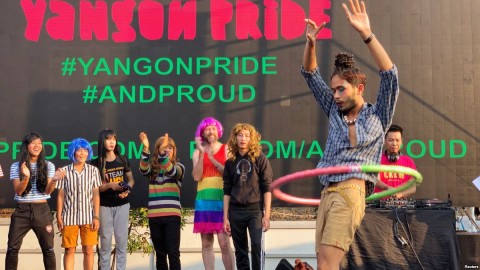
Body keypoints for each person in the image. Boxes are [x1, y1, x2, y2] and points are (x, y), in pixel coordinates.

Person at [301, 0, 399, 269]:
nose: (335, 95)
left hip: (350, 191)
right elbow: (310, 74)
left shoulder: (377, 115)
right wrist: (310, 43)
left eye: (341, 89)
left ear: (359, 87)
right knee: (322, 261)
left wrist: (366, 34)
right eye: (333, 90)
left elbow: (390, 76)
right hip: (327, 193)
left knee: (327, 264)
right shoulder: (334, 110)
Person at [5, 132, 60, 270]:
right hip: (22, 211)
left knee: (48, 249)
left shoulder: (49, 165)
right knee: (12, 248)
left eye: (39, 143)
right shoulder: (16, 166)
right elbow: (19, 191)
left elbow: (48, 191)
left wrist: (53, 180)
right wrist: (26, 178)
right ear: (26, 146)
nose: (37, 146)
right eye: (33, 143)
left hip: (42, 210)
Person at [223, 123, 273, 270]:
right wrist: (225, 217)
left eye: (246, 135)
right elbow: (226, 190)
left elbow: (267, 187)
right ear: (235, 138)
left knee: (257, 246)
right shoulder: (230, 163)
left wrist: (267, 215)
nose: (243, 139)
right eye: (240, 135)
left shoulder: (260, 158)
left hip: (254, 211)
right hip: (235, 212)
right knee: (241, 251)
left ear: (252, 139)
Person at [192, 117, 234, 270]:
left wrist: (213, 159)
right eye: (208, 128)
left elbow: (229, 174)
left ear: (218, 131)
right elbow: (197, 176)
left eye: (213, 128)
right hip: (203, 200)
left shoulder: (227, 149)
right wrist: (203, 154)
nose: (211, 131)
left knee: (224, 242)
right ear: (203, 132)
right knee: (206, 242)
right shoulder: (197, 152)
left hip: (222, 199)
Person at [139, 132, 185, 270]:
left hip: (172, 216)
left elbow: (171, 171)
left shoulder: (179, 167)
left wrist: (162, 155)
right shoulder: (152, 170)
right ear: (158, 149)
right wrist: (145, 148)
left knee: (173, 253)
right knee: (160, 254)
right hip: (155, 216)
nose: (167, 150)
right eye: (164, 147)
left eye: (170, 148)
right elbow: (143, 169)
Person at [91, 129, 135, 270]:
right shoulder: (96, 162)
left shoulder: (122, 159)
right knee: (105, 242)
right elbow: (94, 188)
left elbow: (131, 180)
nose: (111, 142)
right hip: (104, 206)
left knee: (122, 242)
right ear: (102, 141)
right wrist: (109, 186)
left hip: (122, 204)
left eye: (114, 139)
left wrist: (127, 190)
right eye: (108, 139)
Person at [56, 138, 102, 270]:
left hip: (89, 217)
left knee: (88, 250)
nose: (82, 153)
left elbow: (96, 194)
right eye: (79, 150)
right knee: (69, 250)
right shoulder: (64, 171)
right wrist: (59, 216)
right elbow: (61, 195)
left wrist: (96, 216)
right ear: (73, 152)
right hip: (69, 217)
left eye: (85, 150)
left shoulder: (93, 170)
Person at [374, 124, 417, 198]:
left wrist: (399, 195)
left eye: (397, 140)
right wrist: (388, 188)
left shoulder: (408, 161)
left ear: (401, 141)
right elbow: (375, 180)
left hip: (400, 206)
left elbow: (413, 188)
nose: (394, 143)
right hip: (380, 206)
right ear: (384, 141)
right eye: (391, 140)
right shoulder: (376, 159)